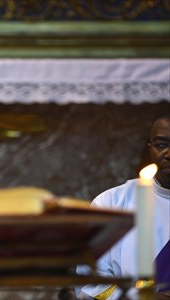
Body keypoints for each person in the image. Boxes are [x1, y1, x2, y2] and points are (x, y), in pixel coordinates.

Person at [76, 115, 170, 299]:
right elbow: (90, 280)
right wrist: (139, 297)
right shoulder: (110, 204)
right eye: (161, 145)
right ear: (149, 149)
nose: (169, 154)